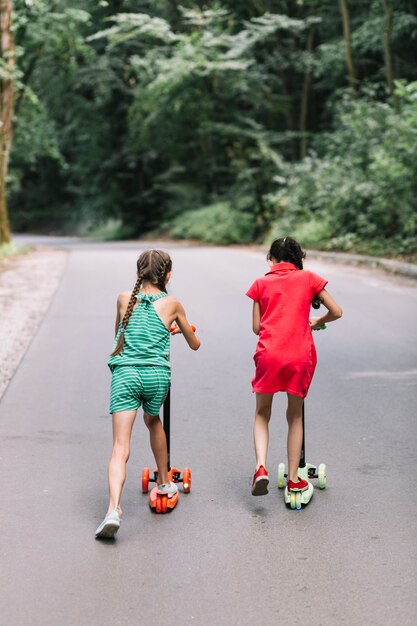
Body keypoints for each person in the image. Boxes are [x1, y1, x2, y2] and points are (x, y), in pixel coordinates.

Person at [95, 249, 200, 538]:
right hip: (156, 377)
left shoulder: (122, 300)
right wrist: (178, 329)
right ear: (168, 275)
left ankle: (113, 510)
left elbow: (121, 335)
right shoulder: (173, 303)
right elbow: (195, 344)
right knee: (154, 421)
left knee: (120, 447)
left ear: (138, 273)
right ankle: (165, 483)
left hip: (126, 375)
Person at [246, 237, 342, 496]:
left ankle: (261, 467)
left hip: (268, 354)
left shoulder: (260, 283)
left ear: (271, 259)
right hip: (299, 355)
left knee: (262, 413)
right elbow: (337, 311)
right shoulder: (308, 278)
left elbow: (257, 328)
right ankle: (293, 479)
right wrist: (315, 320)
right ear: (299, 258)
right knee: (295, 415)